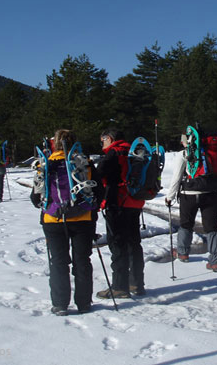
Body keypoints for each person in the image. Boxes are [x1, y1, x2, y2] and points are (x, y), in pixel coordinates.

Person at [30, 129, 103, 316]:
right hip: (82, 219)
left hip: (53, 219)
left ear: (54, 143)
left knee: (59, 262)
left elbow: (35, 197)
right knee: (82, 261)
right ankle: (84, 303)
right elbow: (100, 192)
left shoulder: (44, 164)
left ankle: (60, 304)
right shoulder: (84, 163)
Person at [164, 127, 217, 272]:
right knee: (212, 227)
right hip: (212, 194)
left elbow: (177, 177)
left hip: (189, 195)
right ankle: (215, 262)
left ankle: (183, 253)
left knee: (186, 224)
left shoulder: (184, 154)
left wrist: (169, 197)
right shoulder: (215, 152)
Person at [96, 129, 146, 299]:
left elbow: (98, 176)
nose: (102, 143)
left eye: (102, 140)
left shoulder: (113, 153)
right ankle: (136, 283)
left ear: (109, 138)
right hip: (135, 201)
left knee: (117, 244)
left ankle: (119, 286)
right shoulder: (136, 151)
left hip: (117, 202)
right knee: (133, 243)